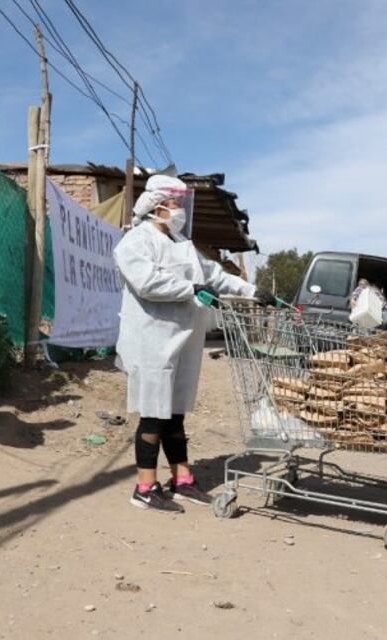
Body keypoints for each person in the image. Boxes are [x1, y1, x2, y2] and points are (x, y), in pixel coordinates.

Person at [114, 175, 277, 513]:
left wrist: (251, 291)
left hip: (185, 338)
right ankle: (144, 486)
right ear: (157, 205)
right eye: (175, 204)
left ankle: (182, 479)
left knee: (175, 414)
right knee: (153, 414)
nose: (179, 211)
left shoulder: (182, 245)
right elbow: (147, 283)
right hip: (151, 339)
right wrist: (191, 289)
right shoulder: (134, 243)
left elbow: (214, 276)